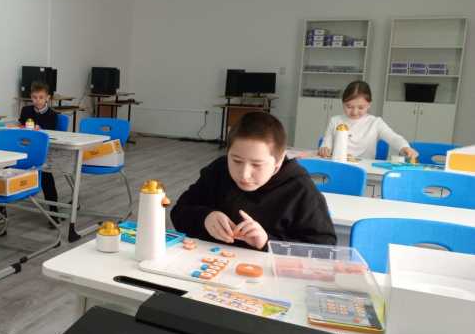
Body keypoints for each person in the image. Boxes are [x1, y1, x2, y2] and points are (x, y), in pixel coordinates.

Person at [171, 111, 336, 250]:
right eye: (236, 161)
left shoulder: (300, 189)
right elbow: (178, 212)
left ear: (277, 163)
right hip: (210, 264)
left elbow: (325, 248)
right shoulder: (218, 171)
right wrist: (204, 218)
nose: (244, 174)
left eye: (257, 165)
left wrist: (267, 242)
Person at [318, 81, 419, 160]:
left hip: (365, 168)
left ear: (369, 105)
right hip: (339, 165)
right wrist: (325, 149)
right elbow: (326, 143)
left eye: (361, 107)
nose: (354, 112)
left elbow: (393, 137)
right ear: (343, 103)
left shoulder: (375, 123)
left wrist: (405, 147)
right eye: (349, 106)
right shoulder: (335, 121)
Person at [18, 81, 59, 218]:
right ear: (31, 97)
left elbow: (52, 134)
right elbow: (21, 125)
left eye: (41, 97)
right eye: (35, 97)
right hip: (25, 149)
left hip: (43, 151)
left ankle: (53, 209)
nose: (38, 100)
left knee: (46, 174)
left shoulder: (53, 114)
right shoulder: (26, 110)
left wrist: (39, 129)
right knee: (4, 169)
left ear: (47, 98)